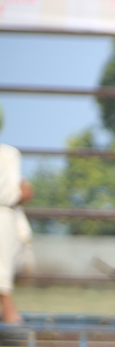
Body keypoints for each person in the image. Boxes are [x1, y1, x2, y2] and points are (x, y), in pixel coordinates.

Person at [0, 107, 32, 325]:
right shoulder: (9, 155)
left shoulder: (8, 154)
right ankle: (9, 311)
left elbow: (20, 192)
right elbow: (20, 191)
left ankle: (7, 306)